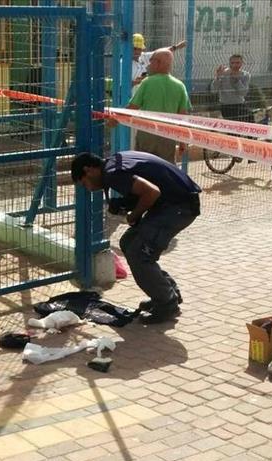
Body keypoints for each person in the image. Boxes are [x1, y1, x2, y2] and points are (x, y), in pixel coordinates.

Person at [72, 151, 201, 324]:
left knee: (139, 253)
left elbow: (152, 192)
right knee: (128, 242)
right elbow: (147, 187)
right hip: (174, 203)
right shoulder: (114, 163)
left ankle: (167, 303)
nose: (88, 188)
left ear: (88, 170)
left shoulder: (112, 173)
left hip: (179, 207)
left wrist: (133, 216)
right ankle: (167, 292)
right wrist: (127, 203)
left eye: (84, 183)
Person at [126, 48, 191, 164]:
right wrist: (183, 142)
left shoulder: (147, 82)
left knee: (144, 167)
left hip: (147, 135)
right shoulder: (180, 86)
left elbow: (132, 108)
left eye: (151, 61)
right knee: (166, 168)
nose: (148, 65)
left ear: (158, 63)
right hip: (168, 136)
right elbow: (183, 116)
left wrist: (115, 117)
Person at [210, 54, 251, 122]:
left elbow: (243, 93)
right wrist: (218, 77)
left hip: (240, 104)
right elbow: (213, 90)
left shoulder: (245, 75)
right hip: (226, 105)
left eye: (237, 63)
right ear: (229, 63)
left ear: (242, 63)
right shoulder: (223, 73)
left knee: (247, 122)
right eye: (232, 63)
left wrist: (236, 80)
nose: (235, 65)